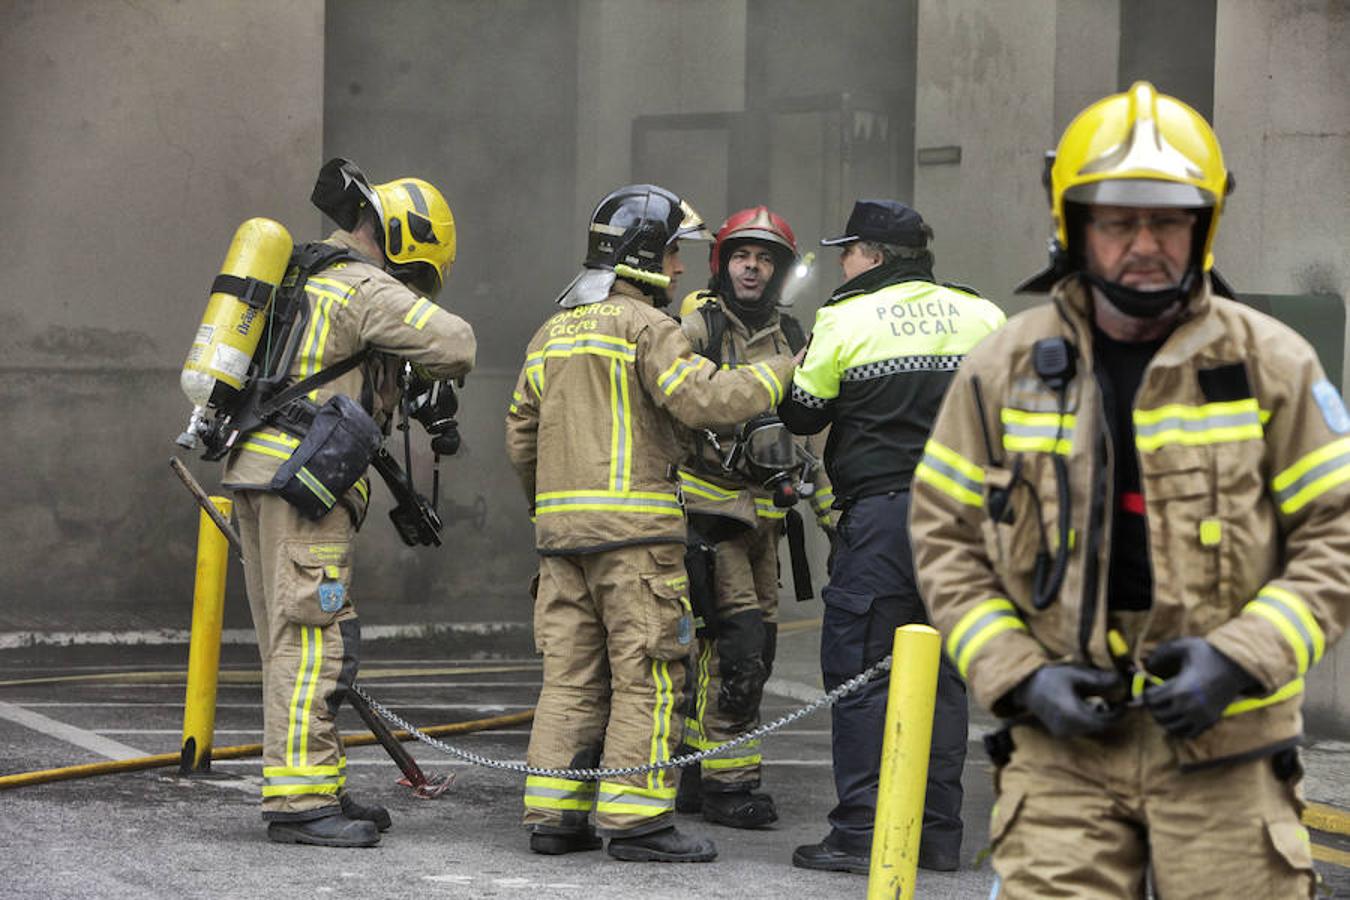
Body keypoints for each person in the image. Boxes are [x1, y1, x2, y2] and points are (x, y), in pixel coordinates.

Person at [909, 81, 1349, 898]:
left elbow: (1339, 536)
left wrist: (1238, 660)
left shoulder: (1272, 365)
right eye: (1117, 221)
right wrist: (1020, 674)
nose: (1143, 242)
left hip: (1230, 751)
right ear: (1074, 226)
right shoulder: (1000, 369)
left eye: (1169, 220)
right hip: (1059, 754)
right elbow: (946, 544)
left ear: (1204, 224)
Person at [505, 184, 795, 863]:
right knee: (652, 673)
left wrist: (547, 506)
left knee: (572, 677)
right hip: (636, 539)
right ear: (641, 256)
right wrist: (783, 372)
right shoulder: (647, 327)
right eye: (670, 253)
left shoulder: (552, 331)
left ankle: (554, 816)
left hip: (562, 539)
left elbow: (520, 436)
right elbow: (703, 399)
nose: (679, 268)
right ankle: (637, 821)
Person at [221, 160, 476, 846]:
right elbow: (457, 345)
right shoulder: (364, 285)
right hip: (308, 480)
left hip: (258, 468)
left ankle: (318, 780)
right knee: (314, 640)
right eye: (421, 272)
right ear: (409, 246)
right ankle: (303, 803)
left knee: (292, 639)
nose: (417, 285)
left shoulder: (305, 277)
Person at [780, 199, 1005, 874]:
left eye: (848, 251)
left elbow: (799, 414)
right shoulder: (983, 315)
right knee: (943, 680)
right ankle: (937, 836)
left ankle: (859, 833)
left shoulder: (845, 318)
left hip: (883, 518)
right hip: (965, 520)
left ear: (873, 256)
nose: (843, 262)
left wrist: (799, 368)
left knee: (862, 676)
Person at [672, 207, 836, 829]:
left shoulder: (796, 338)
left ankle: (696, 769)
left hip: (766, 522)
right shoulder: (695, 328)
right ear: (723, 262)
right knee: (737, 651)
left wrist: (832, 518)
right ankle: (727, 786)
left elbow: (807, 445)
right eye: (743, 254)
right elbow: (666, 401)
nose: (752, 266)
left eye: (765, 258)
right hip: (710, 518)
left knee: (745, 651)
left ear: (780, 270)